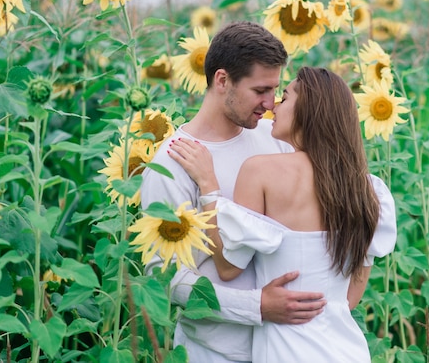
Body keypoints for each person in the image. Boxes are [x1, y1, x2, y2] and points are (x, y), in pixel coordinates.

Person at [168, 66, 397, 362]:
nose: (273, 105)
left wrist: (209, 187)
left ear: (308, 110)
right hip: (345, 349)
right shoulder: (367, 190)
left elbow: (228, 268)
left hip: (286, 350)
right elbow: (349, 299)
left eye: (285, 98)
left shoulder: (261, 171)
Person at [140, 21, 328, 363]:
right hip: (215, 351)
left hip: (287, 345)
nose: (270, 103)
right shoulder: (172, 161)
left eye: (275, 90)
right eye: (260, 90)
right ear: (222, 80)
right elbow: (164, 276)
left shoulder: (277, 137)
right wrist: (256, 306)